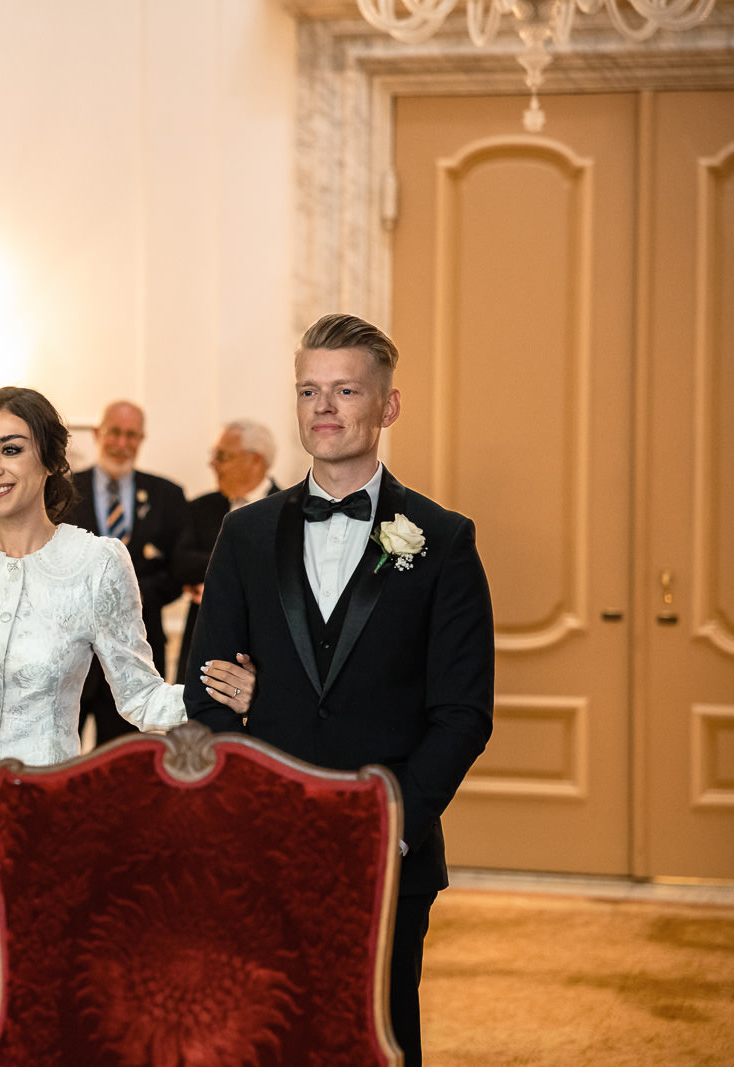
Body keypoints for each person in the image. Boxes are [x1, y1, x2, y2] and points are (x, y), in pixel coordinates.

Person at [0, 386, 252, 1067]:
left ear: (49, 461)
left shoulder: (97, 564)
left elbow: (142, 697)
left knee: (46, 1046)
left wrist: (227, 697)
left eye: (11, 448)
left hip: (47, 833)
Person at [185, 314, 494, 1066]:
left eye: (345, 389)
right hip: (265, 843)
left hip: (389, 842)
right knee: (263, 1038)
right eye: (309, 390)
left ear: (387, 406)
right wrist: (247, 812)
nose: (323, 407)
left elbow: (462, 713)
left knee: (379, 1039)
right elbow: (209, 697)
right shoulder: (246, 533)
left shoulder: (443, 539)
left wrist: (393, 823)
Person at [64, 400, 188, 744]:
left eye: (131, 435)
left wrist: (132, 594)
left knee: (124, 772)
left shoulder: (169, 495)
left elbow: (177, 571)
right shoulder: (62, 491)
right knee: (59, 769)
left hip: (139, 652)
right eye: (115, 432)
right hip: (72, 654)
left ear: (141, 439)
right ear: (99, 434)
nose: (122, 443)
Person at [172, 419, 281, 678]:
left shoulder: (289, 510)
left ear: (256, 460)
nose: (213, 464)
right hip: (202, 649)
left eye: (222, 456)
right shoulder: (201, 508)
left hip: (263, 653)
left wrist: (218, 581)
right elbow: (182, 563)